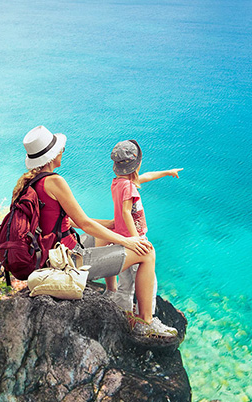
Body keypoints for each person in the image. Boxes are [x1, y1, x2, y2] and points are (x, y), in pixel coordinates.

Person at [14, 125, 177, 338]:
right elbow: (85, 223)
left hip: (51, 253)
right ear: (52, 156)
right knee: (147, 252)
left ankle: (112, 292)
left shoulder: (31, 183)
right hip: (67, 261)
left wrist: (110, 225)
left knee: (103, 234)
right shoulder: (55, 181)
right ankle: (145, 323)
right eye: (60, 150)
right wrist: (128, 241)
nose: (63, 152)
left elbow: (70, 222)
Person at [98, 139, 181, 319]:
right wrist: (137, 240)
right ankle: (146, 317)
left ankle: (124, 313)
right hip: (134, 240)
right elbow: (127, 213)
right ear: (137, 164)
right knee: (148, 282)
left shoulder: (118, 183)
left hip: (121, 239)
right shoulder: (129, 187)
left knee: (126, 283)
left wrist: (167, 172)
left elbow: (146, 176)